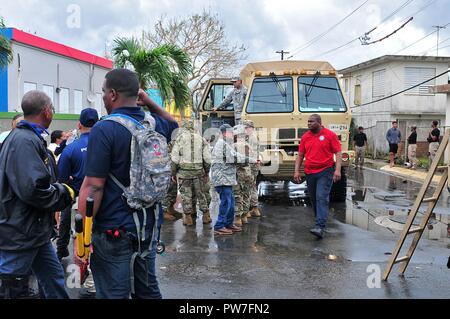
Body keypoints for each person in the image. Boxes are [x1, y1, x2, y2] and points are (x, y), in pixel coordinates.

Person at [78, 69, 176, 299]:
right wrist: (148, 101)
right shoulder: (151, 124)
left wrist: (81, 239)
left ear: (112, 94)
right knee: (147, 290)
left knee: (114, 293)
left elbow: (93, 186)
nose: (102, 97)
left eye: (103, 92)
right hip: (148, 226)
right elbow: (172, 123)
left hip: (114, 229)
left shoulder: (104, 128)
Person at [0, 90, 75, 299]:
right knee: (12, 288)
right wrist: (65, 193)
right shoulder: (23, 141)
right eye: (52, 108)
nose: (52, 112)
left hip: (36, 231)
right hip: (20, 232)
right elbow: (34, 189)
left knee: (53, 280)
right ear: (46, 111)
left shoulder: (30, 138)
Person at [56, 108, 99, 299]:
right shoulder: (106, 145)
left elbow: (62, 180)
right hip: (104, 202)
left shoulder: (70, 149)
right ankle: (95, 282)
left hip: (78, 203)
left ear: (79, 125)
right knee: (99, 241)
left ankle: (77, 280)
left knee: (80, 242)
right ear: (97, 124)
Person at [294, 114, 342, 239]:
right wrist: (296, 171)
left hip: (325, 171)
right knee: (314, 199)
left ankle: (320, 226)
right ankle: (319, 221)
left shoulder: (330, 135)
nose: (309, 124)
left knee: (321, 196)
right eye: (308, 122)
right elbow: (300, 155)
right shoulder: (305, 137)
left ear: (319, 122)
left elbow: (338, 152)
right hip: (310, 172)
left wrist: (337, 170)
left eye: (311, 122)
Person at [171, 119, 211, 226]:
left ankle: (188, 218)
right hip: (198, 172)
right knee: (201, 194)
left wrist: (173, 173)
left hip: (184, 173)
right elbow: (207, 159)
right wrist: (207, 171)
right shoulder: (201, 139)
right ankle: (206, 216)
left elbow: (174, 159)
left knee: (186, 195)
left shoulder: (179, 139)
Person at [211, 124, 246, 235]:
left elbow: (236, 155)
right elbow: (235, 158)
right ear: (224, 133)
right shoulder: (222, 144)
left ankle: (228, 224)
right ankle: (219, 226)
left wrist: (251, 159)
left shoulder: (226, 144)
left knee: (230, 203)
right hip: (222, 179)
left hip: (227, 179)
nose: (232, 135)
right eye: (230, 133)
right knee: (226, 203)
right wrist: (252, 160)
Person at [233, 124, 253, 227]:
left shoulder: (235, 146)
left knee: (238, 196)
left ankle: (238, 218)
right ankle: (244, 216)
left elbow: (238, 161)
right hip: (248, 173)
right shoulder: (248, 145)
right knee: (246, 195)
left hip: (238, 173)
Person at [243, 120, 261, 218]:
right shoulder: (253, 136)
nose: (245, 130)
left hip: (250, 166)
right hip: (254, 165)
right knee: (253, 186)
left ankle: (249, 209)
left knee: (248, 187)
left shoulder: (251, 138)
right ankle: (255, 208)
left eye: (246, 128)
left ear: (251, 128)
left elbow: (248, 154)